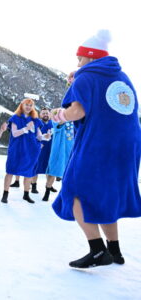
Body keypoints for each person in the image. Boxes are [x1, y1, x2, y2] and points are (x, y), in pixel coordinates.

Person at [51, 30, 141, 268]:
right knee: (107, 194)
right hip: (128, 146)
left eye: (79, 59)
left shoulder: (87, 77)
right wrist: (78, 78)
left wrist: (59, 115)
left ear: (89, 58)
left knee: (74, 191)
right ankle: (115, 250)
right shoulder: (122, 77)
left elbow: (77, 111)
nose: (77, 63)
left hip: (99, 143)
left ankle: (98, 250)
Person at [1, 98, 51, 204]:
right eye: (26, 105)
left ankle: (26, 194)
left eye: (30, 105)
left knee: (28, 173)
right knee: (10, 170)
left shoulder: (36, 120)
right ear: (21, 105)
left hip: (31, 150)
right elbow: (14, 133)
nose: (28, 107)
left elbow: (38, 136)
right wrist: (26, 129)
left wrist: (45, 137)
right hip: (17, 149)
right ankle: (5, 194)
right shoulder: (15, 118)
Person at [43, 121, 74, 202]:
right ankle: (47, 192)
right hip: (58, 150)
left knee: (68, 174)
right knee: (53, 171)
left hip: (70, 150)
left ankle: (64, 194)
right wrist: (65, 116)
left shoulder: (75, 121)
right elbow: (57, 126)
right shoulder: (59, 117)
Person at [31, 108, 54, 194]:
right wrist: (37, 144)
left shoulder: (54, 124)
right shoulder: (37, 123)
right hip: (39, 149)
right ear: (40, 115)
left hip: (50, 149)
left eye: (47, 113)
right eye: (43, 113)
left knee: (49, 169)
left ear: (50, 115)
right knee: (36, 168)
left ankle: (49, 185)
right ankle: (33, 186)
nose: (45, 115)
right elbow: (33, 135)